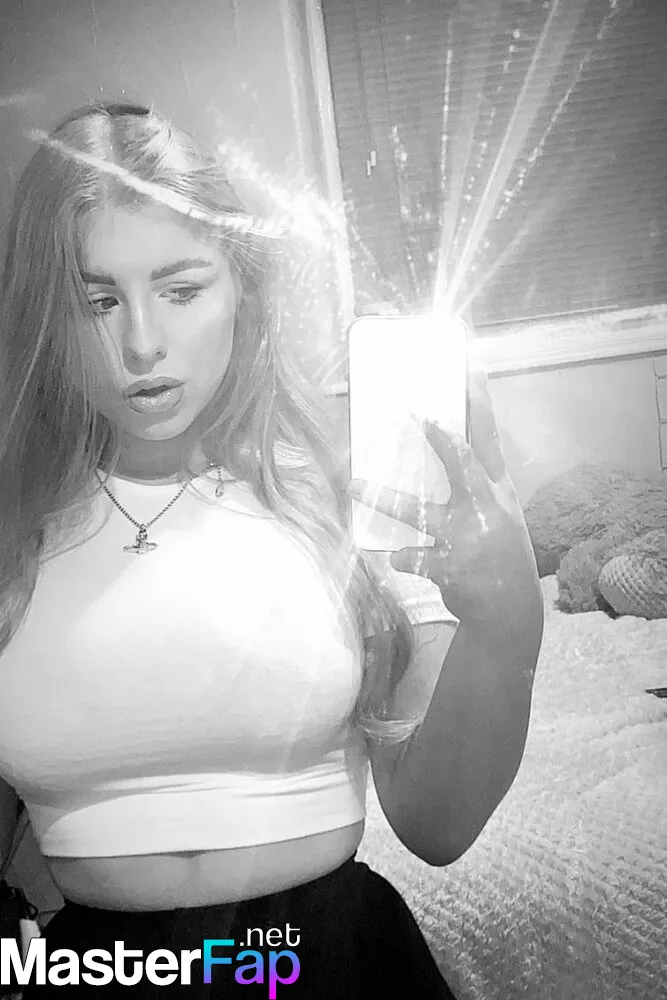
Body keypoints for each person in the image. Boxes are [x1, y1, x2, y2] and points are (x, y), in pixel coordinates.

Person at [0, 102, 544, 997]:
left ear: (240, 292)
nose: (141, 343)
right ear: (44, 316)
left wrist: (506, 637)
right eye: (96, 301)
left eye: (180, 290)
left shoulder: (340, 500)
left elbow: (437, 824)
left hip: (328, 961)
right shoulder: (15, 532)